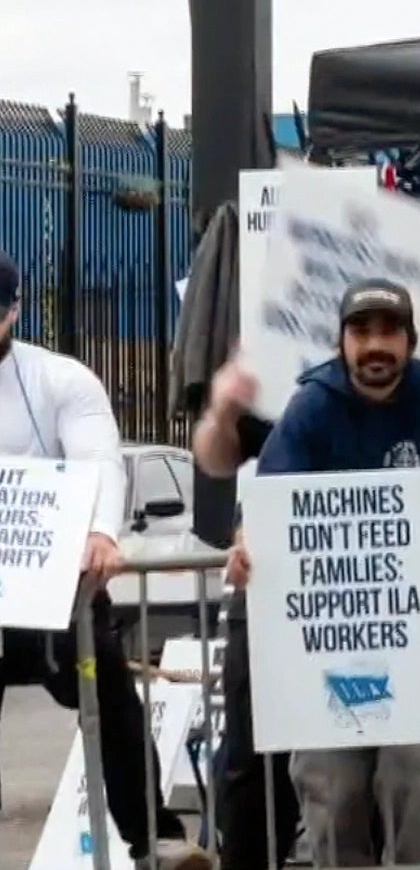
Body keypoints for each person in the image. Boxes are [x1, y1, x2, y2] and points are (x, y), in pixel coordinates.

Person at [193, 326, 420, 870]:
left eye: (389, 332)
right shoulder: (309, 395)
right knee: (328, 785)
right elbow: (265, 497)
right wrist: (246, 545)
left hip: (409, 643)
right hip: (320, 643)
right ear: (342, 341)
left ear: (409, 338)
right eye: (362, 332)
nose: (376, 345)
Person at [0, 252, 208, 870]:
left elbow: (98, 461)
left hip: (56, 587)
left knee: (112, 698)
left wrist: (100, 534)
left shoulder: (58, 379)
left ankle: (157, 839)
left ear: (11, 312)